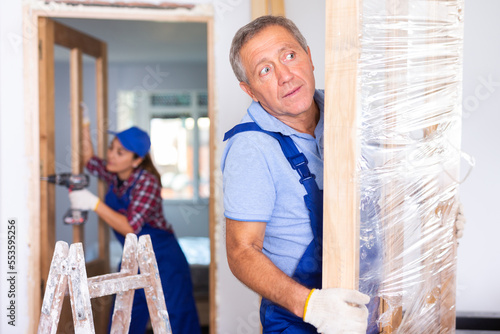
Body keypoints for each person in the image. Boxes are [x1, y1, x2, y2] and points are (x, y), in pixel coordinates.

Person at [222, 15, 465, 334]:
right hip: (302, 319)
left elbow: (390, 175)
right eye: (265, 70)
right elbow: (241, 251)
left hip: (373, 310)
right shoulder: (251, 147)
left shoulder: (349, 113)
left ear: (309, 57)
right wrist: (312, 306)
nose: (285, 76)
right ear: (250, 90)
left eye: (289, 56)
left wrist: (434, 206)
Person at [69, 125, 201, 334]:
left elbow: (131, 226)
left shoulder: (147, 182)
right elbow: (89, 160)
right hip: (133, 257)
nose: (111, 155)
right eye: (111, 148)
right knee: (124, 317)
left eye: (120, 152)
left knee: (175, 318)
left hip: (163, 260)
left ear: (137, 160)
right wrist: (84, 124)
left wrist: (93, 203)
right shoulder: (116, 174)